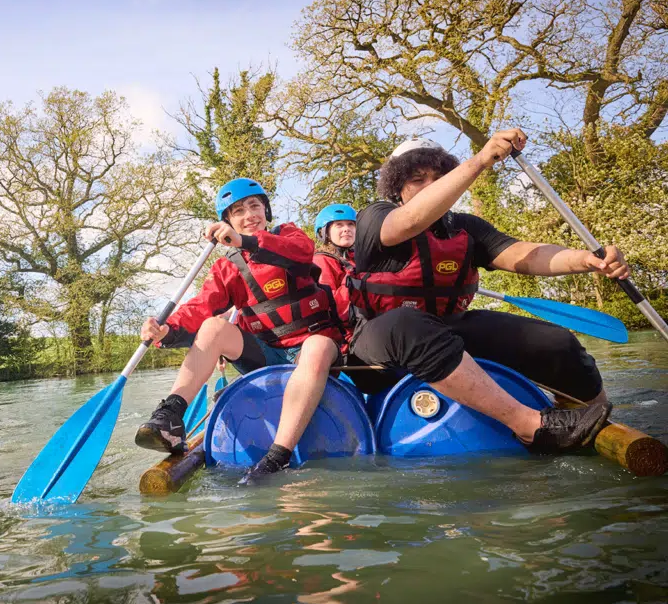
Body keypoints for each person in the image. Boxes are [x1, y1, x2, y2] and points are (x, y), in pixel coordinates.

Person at [347, 130, 625, 453]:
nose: (431, 185)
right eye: (418, 180)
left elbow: (524, 254)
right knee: (408, 323)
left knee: (558, 343)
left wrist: (586, 260)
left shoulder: (464, 227)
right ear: (398, 187)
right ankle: (530, 426)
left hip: (447, 334)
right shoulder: (374, 217)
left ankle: (594, 419)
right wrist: (481, 161)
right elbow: (408, 221)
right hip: (378, 348)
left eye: (439, 177)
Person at [135, 178, 348, 482]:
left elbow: (301, 252)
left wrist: (246, 241)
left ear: (265, 210)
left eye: (254, 206)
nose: (249, 215)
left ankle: (277, 457)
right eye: (238, 211)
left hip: (315, 350)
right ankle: (171, 415)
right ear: (228, 221)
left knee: (317, 346)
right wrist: (166, 330)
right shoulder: (228, 267)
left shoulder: (288, 235)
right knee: (212, 326)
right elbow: (201, 306)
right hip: (267, 355)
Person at [312, 203, 357, 290]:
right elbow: (326, 299)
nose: (346, 229)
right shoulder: (322, 261)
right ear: (326, 233)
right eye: (339, 225)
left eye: (350, 224)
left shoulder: (359, 257)